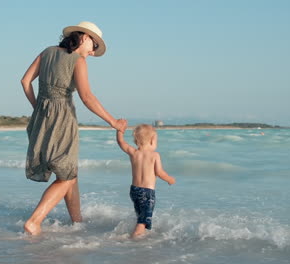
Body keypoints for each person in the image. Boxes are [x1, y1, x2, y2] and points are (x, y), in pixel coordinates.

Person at [21, 21, 127, 235]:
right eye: (94, 46)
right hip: (63, 120)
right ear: (85, 37)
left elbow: (25, 81)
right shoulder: (78, 61)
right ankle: (34, 221)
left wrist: (38, 108)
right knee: (66, 175)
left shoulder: (47, 52)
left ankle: (77, 223)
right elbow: (87, 97)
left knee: (70, 172)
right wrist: (113, 121)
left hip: (41, 118)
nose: (93, 51)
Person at [116, 124, 176, 238]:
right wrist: (169, 179)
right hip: (147, 193)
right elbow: (159, 172)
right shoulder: (154, 155)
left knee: (140, 217)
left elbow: (121, 142)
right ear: (153, 140)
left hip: (134, 191)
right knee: (142, 222)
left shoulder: (134, 153)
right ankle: (133, 240)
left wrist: (119, 130)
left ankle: (138, 235)